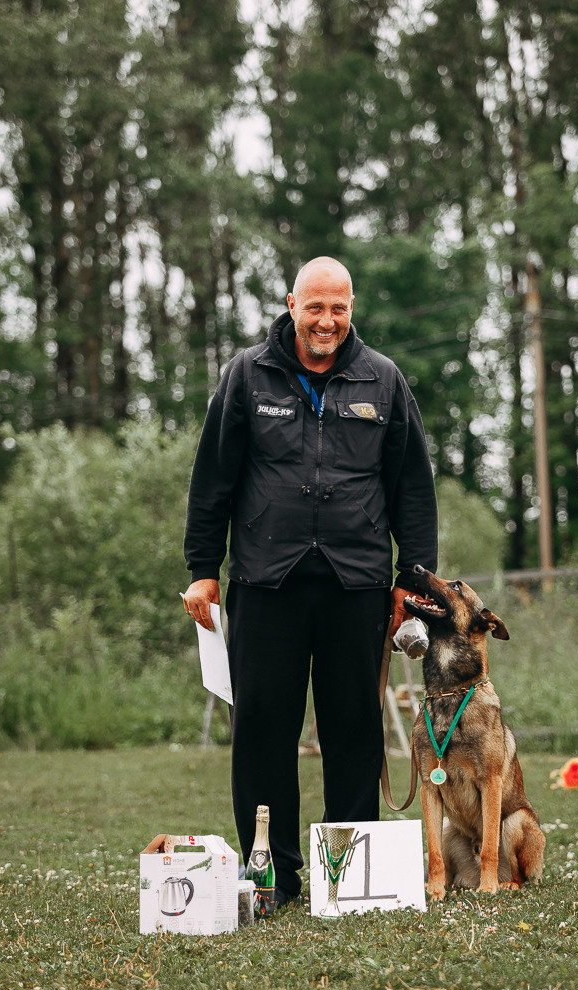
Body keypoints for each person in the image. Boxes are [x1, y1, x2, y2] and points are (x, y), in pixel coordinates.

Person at [182, 256, 437, 906]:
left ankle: (346, 883)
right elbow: (212, 478)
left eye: (338, 309)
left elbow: (411, 487)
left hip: (357, 583)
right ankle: (272, 877)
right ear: (292, 304)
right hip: (266, 581)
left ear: (352, 310)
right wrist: (202, 570)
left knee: (354, 730)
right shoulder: (246, 374)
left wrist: (412, 578)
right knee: (262, 732)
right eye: (315, 307)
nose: (327, 321)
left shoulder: (383, 379)